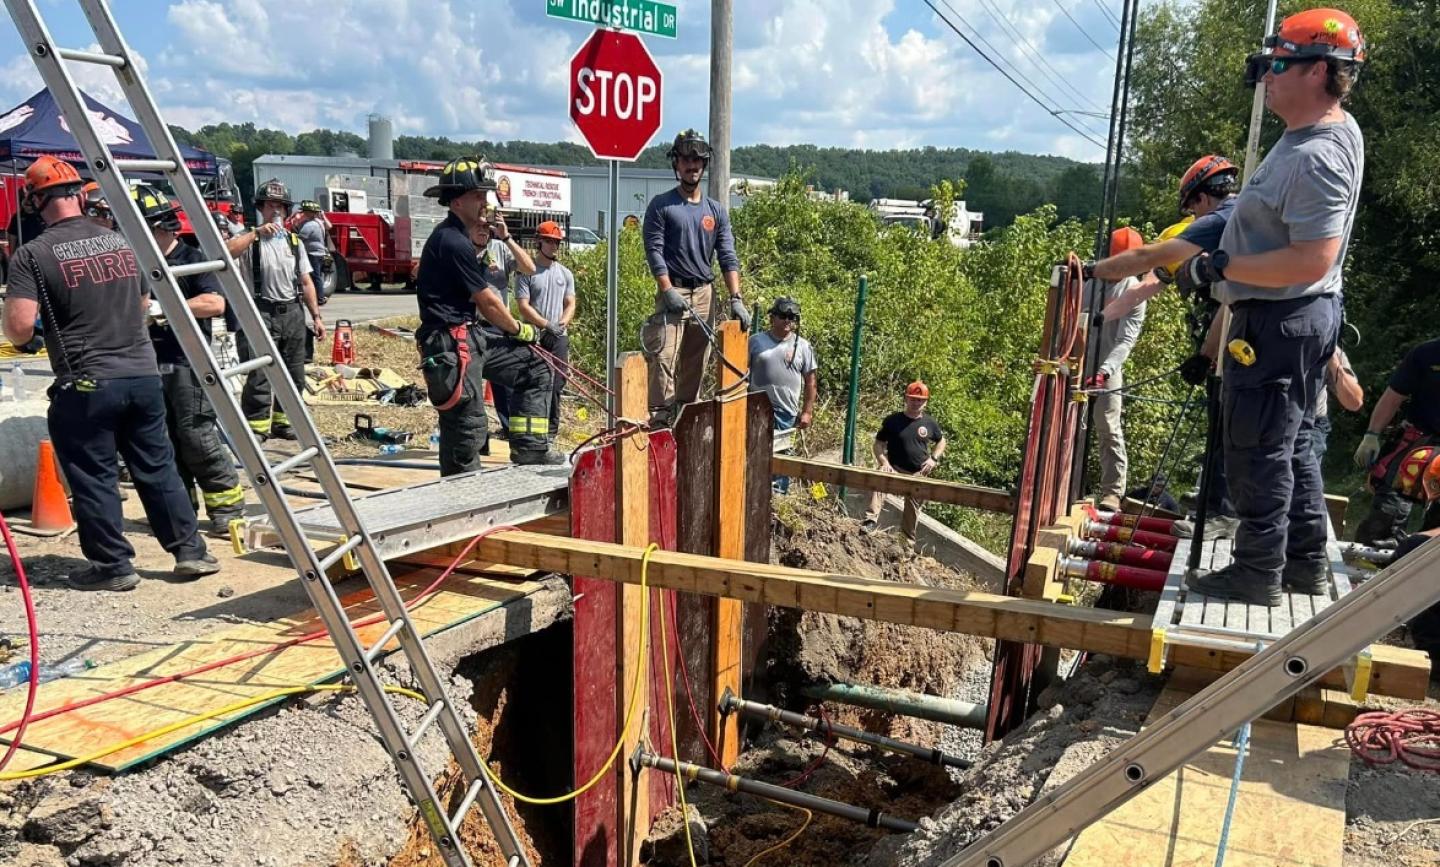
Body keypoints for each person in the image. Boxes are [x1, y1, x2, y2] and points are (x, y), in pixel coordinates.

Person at [1177, 9, 1367, 606]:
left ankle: (1258, 572)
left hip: (1281, 319)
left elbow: (1310, 259)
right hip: (1297, 318)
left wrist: (1218, 268)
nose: (1266, 78)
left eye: (1276, 65)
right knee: (1295, 440)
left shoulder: (1318, 156)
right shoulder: (1323, 134)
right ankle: (1303, 564)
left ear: (1318, 71)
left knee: (1258, 445)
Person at [0, 156, 219, 590]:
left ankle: (113, 567)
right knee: (158, 466)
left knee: (94, 474)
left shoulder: (33, 254)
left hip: (86, 383)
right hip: (143, 376)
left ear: (35, 202)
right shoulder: (121, 243)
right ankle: (189, 552)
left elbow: (20, 327)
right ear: (80, 195)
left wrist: (36, 333)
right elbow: (140, 307)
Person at [1093, 159, 1245, 540]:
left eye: (1193, 204)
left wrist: (1094, 269)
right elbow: (1148, 284)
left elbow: (1146, 265)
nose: (1193, 212)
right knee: (1222, 420)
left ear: (1203, 197)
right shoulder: (1208, 231)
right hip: (1234, 331)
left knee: (1237, 426)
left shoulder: (1215, 227)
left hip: (1254, 336)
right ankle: (1215, 505)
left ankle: (1225, 511)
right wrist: (1100, 317)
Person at [413, 157, 562, 472]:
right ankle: (461, 495)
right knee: (467, 425)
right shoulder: (451, 241)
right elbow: (488, 302)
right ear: (456, 201)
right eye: (478, 195)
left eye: (485, 194)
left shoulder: (463, 239)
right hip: (450, 345)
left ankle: (530, 449)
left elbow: (521, 272)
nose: (485, 201)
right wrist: (520, 329)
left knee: (535, 367)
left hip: (471, 336)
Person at [132, 183, 246, 538]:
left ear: (162, 226)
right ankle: (181, 511)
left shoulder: (192, 259)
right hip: (147, 364)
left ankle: (227, 508)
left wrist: (164, 309)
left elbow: (215, 303)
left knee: (196, 436)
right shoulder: (138, 263)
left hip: (187, 362)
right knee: (162, 442)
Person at [641, 129, 747, 425]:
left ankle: (685, 420)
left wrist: (735, 298)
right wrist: (666, 289)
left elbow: (727, 255)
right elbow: (654, 251)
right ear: (676, 164)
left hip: (704, 294)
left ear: (704, 165)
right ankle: (659, 423)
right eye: (687, 160)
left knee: (695, 361)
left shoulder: (716, 211)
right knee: (663, 357)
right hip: (673, 291)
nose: (693, 166)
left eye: (698, 160)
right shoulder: (662, 206)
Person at [224, 179, 324, 440]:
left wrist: (316, 316)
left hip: (292, 312)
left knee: (295, 372)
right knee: (260, 373)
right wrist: (256, 233)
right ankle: (256, 427)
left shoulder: (294, 242)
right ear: (260, 208)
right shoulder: (248, 239)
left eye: (280, 205)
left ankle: (284, 422)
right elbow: (226, 253)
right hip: (261, 311)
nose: (276, 210)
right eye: (270, 205)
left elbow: (306, 281)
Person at [1352, 337, 1440, 546]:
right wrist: (1372, 435)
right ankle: (1369, 561)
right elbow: (1393, 396)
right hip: (1419, 441)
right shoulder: (1426, 353)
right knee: (1387, 512)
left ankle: (1422, 564)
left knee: (1435, 532)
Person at [1086, 226, 1147, 512]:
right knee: (1067, 427)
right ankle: (1072, 485)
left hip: (1108, 368)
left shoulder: (1135, 291)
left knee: (1107, 426)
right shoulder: (1088, 282)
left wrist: (1106, 370)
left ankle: (1112, 492)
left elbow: (1126, 339)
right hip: (1077, 362)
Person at [469, 209, 536, 438]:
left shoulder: (498, 248)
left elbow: (529, 268)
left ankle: (511, 432)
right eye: (477, 226)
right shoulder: (461, 251)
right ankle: (479, 436)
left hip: (500, 326)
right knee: (471, 386)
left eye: (486, 227)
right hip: (472, 326)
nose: (482, 231)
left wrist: (506, 237)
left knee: (505, 384)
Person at [748, 297, 817, 494]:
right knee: (755, 454)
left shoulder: (803, 346)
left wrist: (807, 412)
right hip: (755, 409)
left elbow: (811, 382)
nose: (788, 321)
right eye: (783, 316)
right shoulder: (756, 341)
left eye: (792, 317)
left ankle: (777, 500)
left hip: (785, 413)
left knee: (782, 459)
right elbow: (739, 375)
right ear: (772, 318)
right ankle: (755, 494)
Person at [515, 220, 575, 441]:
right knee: (534, 382)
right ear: (539, 241)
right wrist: (545, 325)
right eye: (549, 241)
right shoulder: (527, 271)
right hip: (534, 336)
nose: (554, 246)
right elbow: (523, 305)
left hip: (558, 337)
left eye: (557, 242)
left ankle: (551, 433)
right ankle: (532, 433)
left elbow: (570, 303)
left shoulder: (565, 274)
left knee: (557, 383)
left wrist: (560, 325)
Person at [862, 381, 946, 537]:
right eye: (913, 399)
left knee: (913, 508)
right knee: (880, 479)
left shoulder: (929, 423)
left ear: (925, 402)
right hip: (894, 468)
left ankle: (906, 542)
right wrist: (884, 462)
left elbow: (941, 441)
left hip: (918, 473)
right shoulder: (892, 421)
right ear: (906, 399)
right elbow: (878, 444)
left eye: (920, 400)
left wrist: (933, 459)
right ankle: (870, 521)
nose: (916, 403)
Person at [1313, 345, 1362, 463]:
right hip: (1267, 422)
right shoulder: (1264, 337)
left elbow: (1354, 402)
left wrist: (1334, 362)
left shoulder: (1327, 343)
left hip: (1311, 425)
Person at [294, 201, 333, 303]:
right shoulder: (319, 222)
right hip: (319, 253)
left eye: (306, 212)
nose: (304, 214)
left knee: (315, 276)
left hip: (312, 254)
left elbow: (300, 238)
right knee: (317, 276)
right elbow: (329, 226)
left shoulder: (310, 225)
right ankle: (317, 297)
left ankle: (319, 298)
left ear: (311, 213)